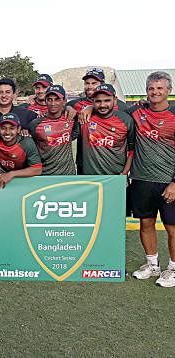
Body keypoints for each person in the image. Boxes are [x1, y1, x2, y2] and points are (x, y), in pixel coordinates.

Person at [127, 71, 175, 287]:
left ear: (169, 91)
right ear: (146, 91)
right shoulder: (137, 113)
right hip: (141, 180)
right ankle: (152, 265)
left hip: (169, 182)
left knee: (172, 228)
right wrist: (87, 107)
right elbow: (111, 110)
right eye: (151, 88)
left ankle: (173, 269)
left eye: (159, 88)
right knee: (146, 224)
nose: (155, 92)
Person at [78, 84, 134, 176]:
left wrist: (125, 172)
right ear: (93, 101)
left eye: (107, 100)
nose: (102, 105)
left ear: (115, 100)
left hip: (116, 176)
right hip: (90, 178)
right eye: (98, 101)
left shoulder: (126, 120)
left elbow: (132, 150)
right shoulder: (85, 117)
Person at [28, 85, 79, 175]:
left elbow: (75, 134)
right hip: (46, 175)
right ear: (46, 101)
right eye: (49, 99)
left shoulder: (71, 118)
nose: (53, 103)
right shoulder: (36, 124)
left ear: (64, 101)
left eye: (57, 99)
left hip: (68, 175)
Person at [0, 113, 42, 189]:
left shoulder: (26, 143)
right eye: (3, 128)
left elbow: (37, 169)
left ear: (18, 129)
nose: (7, 132)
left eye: (12, 128)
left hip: (21, 181)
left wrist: (11, 174)